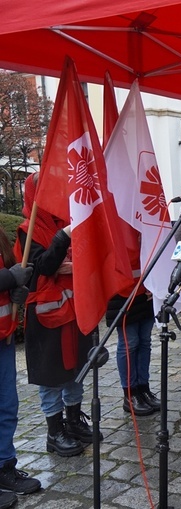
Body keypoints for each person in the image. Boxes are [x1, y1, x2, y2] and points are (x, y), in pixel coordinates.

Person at [15, 174, 99, 458]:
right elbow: (46, 267)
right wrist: (63, 240)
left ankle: (73, 421)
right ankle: (55, 431)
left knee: (76, 370)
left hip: (73, 312)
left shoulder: (67, 220)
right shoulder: (28, 230)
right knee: (51, 376)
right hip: (47, 318)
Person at [0, 227, 41, 508]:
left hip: (2, 336)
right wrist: (8, 278)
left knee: (6, 405)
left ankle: (4, 466)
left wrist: (16, 290)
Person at [106, 253, 157, 416]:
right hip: (122, 292)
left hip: (145, 291)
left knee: (145, 341)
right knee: (130, 343)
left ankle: (143, 388)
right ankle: (130, 394)